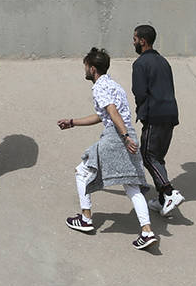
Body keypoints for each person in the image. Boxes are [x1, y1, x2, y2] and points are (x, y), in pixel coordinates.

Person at [57, 47, 158, 250]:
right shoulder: (114, 85)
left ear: (93, 69)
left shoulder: (99, 87)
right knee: (131, 185)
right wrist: (73, 122)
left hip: (116, 135)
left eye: (86, 67)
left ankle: (86, 219)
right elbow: (102, 115)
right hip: (126, 132)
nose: (85, 70)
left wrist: (125, 137)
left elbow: (112, 112)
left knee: (82, 171)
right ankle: (147, 232)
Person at [132, 24, 184, 216]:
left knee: (147, 156)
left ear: (143, 41)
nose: (134, 42)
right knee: (157, 157)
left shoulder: (140, 64)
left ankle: (169, 192)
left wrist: (142, 112)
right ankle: (163, 200)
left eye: (135, 39)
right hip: (170, 115)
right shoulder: (163, 61)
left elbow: (139, 93)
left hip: (154, 116)